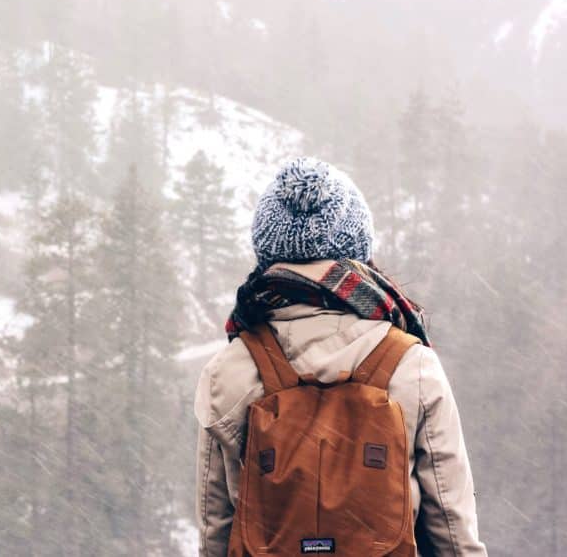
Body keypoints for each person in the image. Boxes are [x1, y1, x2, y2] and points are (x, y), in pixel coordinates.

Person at [195, 157, 487, 556]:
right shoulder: (411, 365)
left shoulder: (229, 372)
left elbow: (218, 532)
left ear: (266, 253)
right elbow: (453, 532)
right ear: (359, 251)